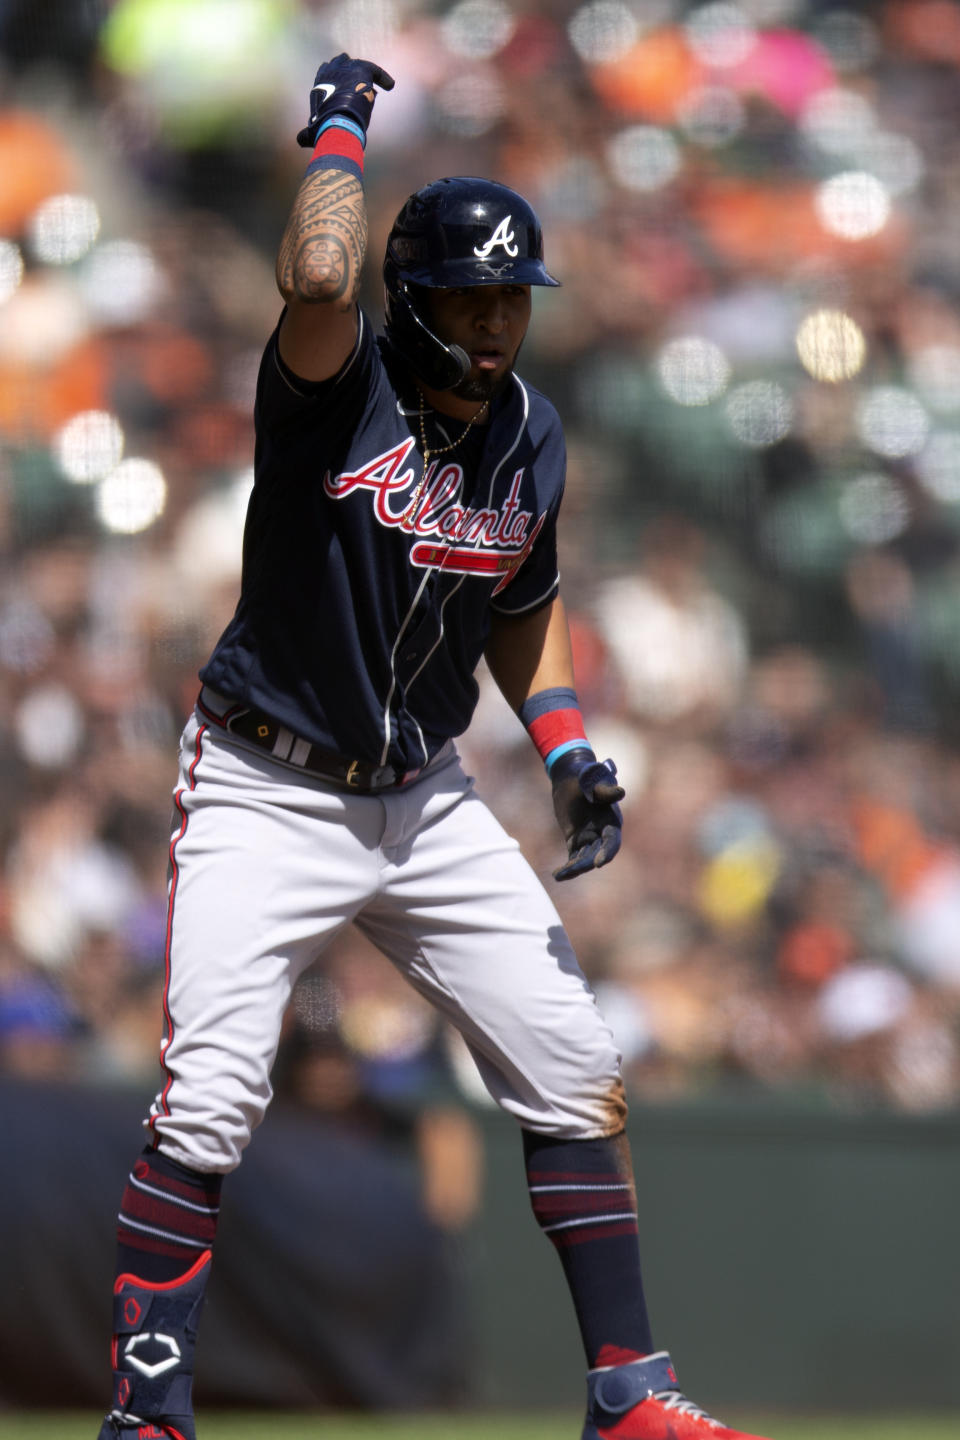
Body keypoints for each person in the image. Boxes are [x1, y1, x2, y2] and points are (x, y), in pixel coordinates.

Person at [96, 55, 773, 1440]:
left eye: (513, 298)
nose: (499, 322)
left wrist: (572, 745)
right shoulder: (334, 385)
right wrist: (339, 129)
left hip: (424, 792)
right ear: (415, 301)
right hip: (267, 781)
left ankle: (630, 1397)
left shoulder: (532, 434)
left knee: (573, 1064)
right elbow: (321, 271)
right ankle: (150, 1408)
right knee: (214, 1092)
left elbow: (523, 600)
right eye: (472, 295)